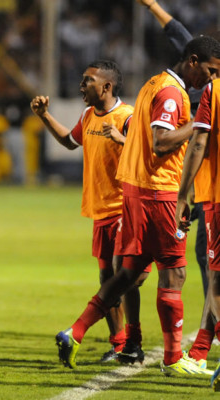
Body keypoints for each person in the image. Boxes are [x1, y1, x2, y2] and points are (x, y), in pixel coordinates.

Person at [54, 36, 220, 374]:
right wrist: (199, 125)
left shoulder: (152, 83)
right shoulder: (173, 94)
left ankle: (76, 331)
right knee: (174, 273)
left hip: (134, 192)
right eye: (210, 70)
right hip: (159, 193)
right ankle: (174, 359)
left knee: (127, 273)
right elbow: (160, 143)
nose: (211, 79)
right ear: (193, 61)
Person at [31, 60, 143, 363]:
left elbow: (147, 155)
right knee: (107, 278)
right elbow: (69, 142)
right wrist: (44, 116)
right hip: (100, 212)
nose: (81, 86)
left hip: (124, 211)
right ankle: (120, 343)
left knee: (124, 277)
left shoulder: (128, 117)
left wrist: (123, 140)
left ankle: (132, 340)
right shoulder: (88, 115)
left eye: (87, 81)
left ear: (106, 86)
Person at [137, 0, 217, 371]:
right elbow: (179, 34)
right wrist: (153, 6)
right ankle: (197, 343)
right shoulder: (195, 74)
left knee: (205, 265)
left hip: (198, 181)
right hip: (195, 181)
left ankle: (201, 342)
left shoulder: (208, 84)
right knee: (200, 264)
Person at [176, 77, 220, 390]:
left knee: (216, 279)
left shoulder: (213, 90)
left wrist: (182, 194)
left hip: (216, 194)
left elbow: (199, 141)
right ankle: (200, 350)